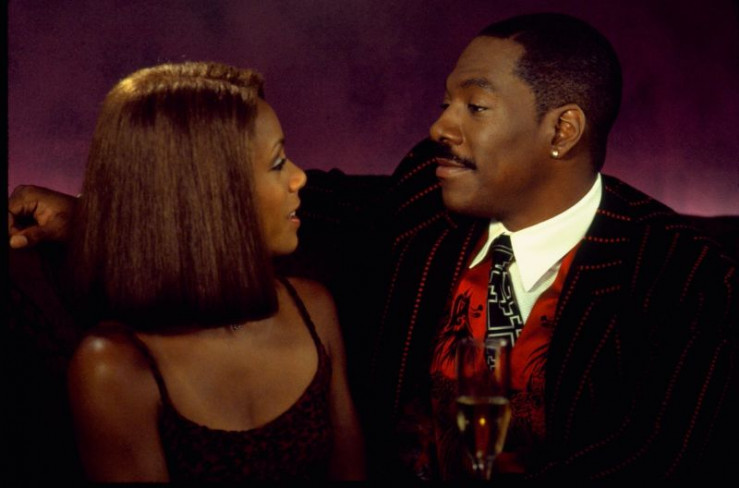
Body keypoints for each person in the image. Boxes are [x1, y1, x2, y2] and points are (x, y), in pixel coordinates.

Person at [8, 12, 737, 483]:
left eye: (475, 106)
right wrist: (104, 215)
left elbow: (654, 466)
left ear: (562, 130)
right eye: (446, 103)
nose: (440, 127)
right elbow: (256, 195)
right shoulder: (426, 192)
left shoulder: (687, 278)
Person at [34, 62, 364, 482]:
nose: (300, 177)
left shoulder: (313, 310)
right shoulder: (114, 368)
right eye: (278, 162)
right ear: (210, 194)